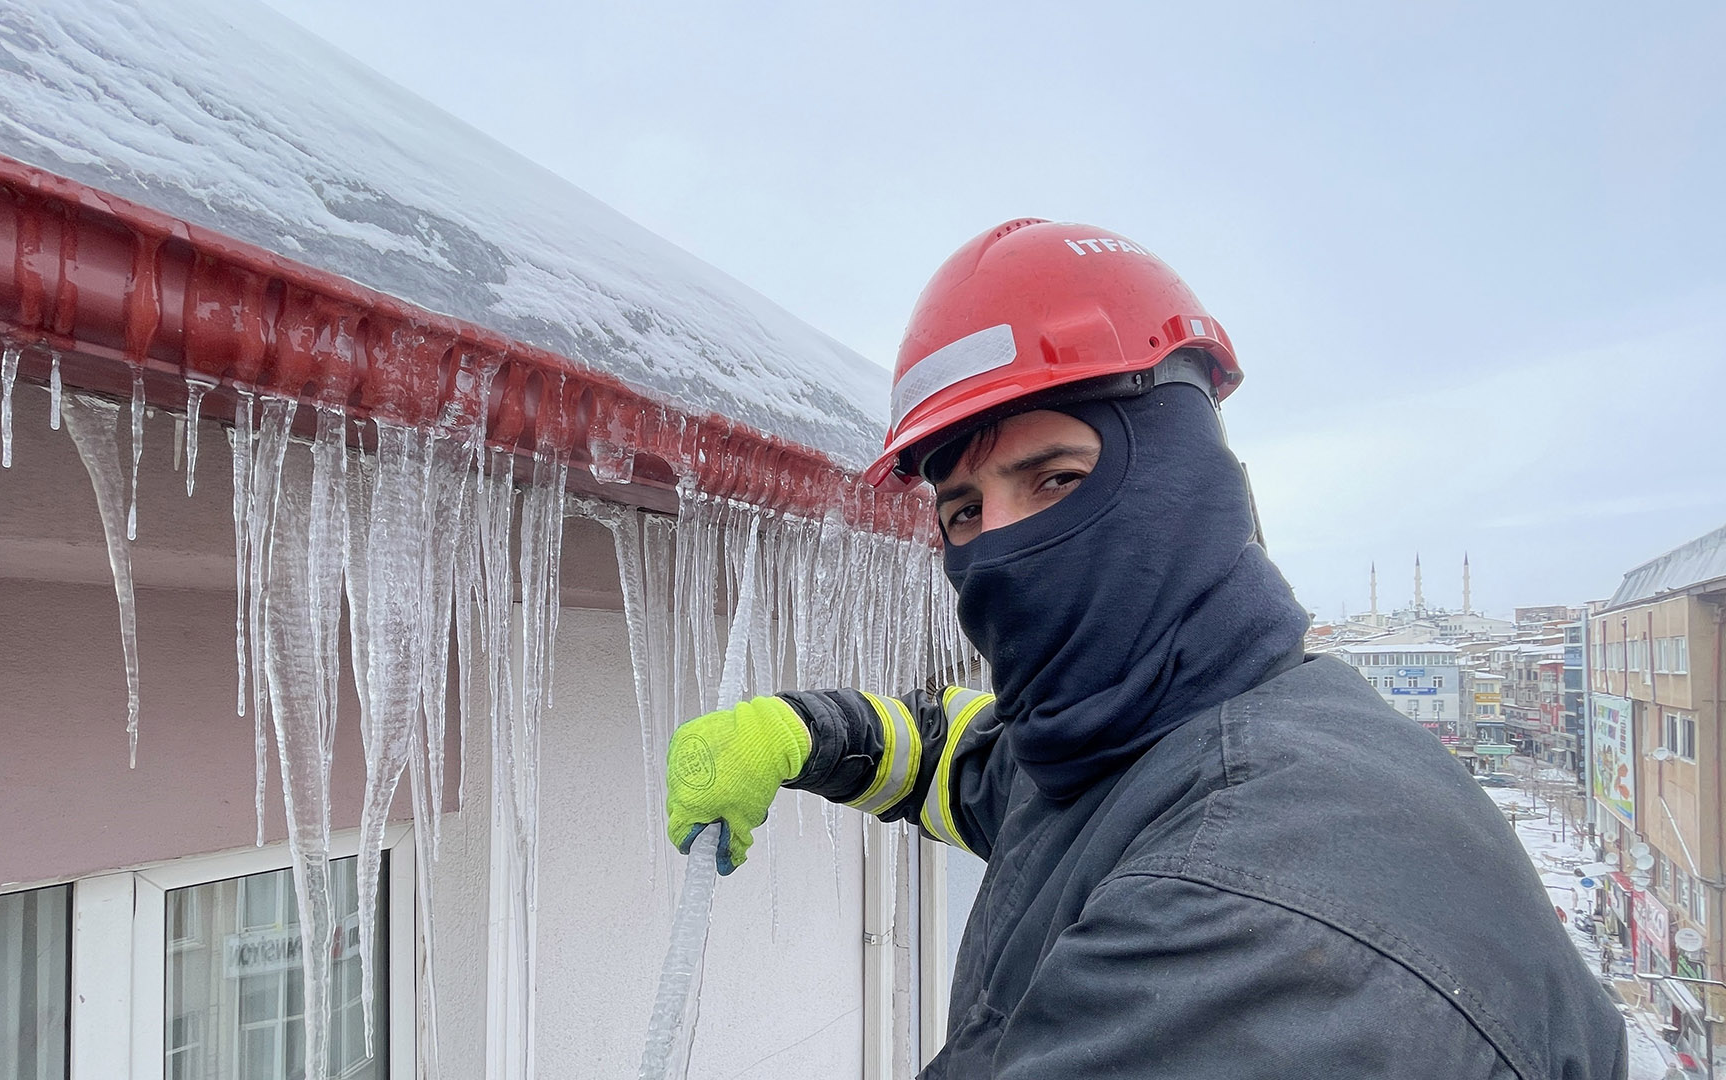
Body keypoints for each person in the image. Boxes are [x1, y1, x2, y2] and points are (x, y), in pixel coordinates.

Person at [663, 219, 1625, 1078]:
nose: (997, 544)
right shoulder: (1141, 730)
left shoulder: (1247, 925)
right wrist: (800, 733)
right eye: (962, 508)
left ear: (1179, 478)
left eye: (1053, 478)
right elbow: (978, 765)